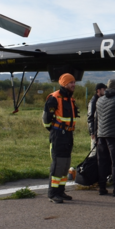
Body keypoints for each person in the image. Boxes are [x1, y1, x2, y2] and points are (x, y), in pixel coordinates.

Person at [42, 73, 80, 203]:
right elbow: (46, 120)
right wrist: (55, 130)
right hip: (58, 135)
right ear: (64, 84)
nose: (73, 85)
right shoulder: (54, 98)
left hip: (68, 135)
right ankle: (52, 194)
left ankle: (60, 191)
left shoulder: (70, 99)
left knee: (65, 165)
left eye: (74, 82)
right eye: (71, 83)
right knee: (58, 165)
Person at [87, 82, 107, 156]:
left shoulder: (101, 100)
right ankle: (90, 166)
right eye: (104, 89)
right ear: (98, 90)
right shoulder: (93, 101)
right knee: (94, 151)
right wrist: (92, 132)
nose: (105, 90)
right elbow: (90, 117)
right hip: (95, 131)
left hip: (101, 131)